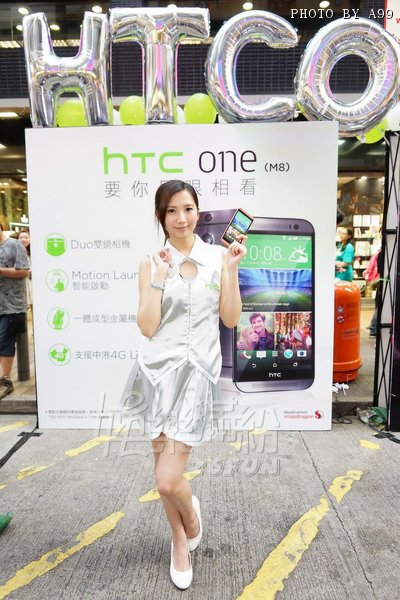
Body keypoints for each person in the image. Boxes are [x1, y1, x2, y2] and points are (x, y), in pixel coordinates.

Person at [120, 180, 247, 590]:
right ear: (160, 216)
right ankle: (179, 538)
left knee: (167, 480)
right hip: (157, 373)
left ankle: (190, 517)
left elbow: (230, 319)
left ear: (198, 211)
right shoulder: (150, 262)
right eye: (171, 211)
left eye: (187, 209)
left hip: (196, 375)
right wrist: (159, 277)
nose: (181, 218)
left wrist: (231, 270)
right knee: (163, 471)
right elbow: (147, 326)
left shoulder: (219, 257)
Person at [0, 224, 30, 399]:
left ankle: (6, 381)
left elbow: (24, 271)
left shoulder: (15, 245)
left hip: (11, 305)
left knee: (4, 342)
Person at [16, 230, 33, 311]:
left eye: (26, 237)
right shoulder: (14, 252)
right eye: (21, 237)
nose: (23, 239)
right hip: (21, 282)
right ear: (17, 239)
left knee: (35, 305)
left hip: (32, 282)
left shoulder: (33, 252)